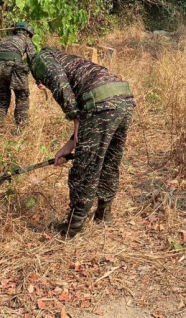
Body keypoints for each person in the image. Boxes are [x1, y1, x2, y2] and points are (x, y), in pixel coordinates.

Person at [30, 47, 136, 238]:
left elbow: (61, 86)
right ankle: (104, 213)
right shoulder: (67, 59)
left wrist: (75, 120)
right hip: (124, 99)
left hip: (101, 103)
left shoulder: (40, 59)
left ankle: (74, 225)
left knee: (86, 165)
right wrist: (67, 147)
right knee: (108, 160)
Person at [0, 21, 37, 130]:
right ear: (28, 33)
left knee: (2, 100)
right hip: (13, 68)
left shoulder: (3, 39)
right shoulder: (25, 39)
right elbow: (33, 60)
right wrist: (39, 80)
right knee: (22, 98)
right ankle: (21, 129)